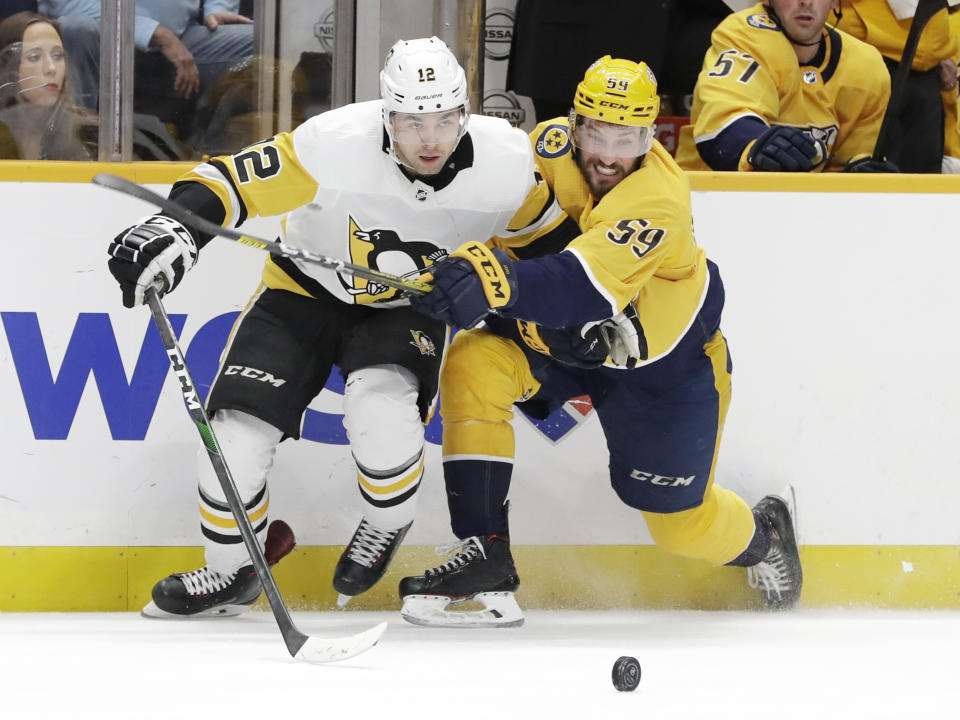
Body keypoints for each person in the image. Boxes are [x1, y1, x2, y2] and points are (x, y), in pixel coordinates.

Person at [104, 37, 565, 617]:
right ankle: (231, 573)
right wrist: (174, 230)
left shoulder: (508, 162)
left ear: (465, 113)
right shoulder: (332, 143)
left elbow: (553, 249)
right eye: (411, 121)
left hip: (408, 306)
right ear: (385, 112)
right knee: (233, 440)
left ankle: (384, 522)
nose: (429, 139)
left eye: (445, 120)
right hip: (301, 294)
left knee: (382, 420)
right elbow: (231, 181)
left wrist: (588, 313)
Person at [399, 56, 803, 628]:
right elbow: (489, 203)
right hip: (566, 343)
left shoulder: (659, 195)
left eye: (629, 136)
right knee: (473, 362)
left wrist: (489, 282)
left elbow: (582, 287)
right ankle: (485, 553)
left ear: (650, 136)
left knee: (677, 525)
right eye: (596, 132)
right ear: (575, 123)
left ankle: (765, 539)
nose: (610, 153)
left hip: (664, 369)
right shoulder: (546, 147)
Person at [675, 0, 896, 172]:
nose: (806, 2)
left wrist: (863, 175)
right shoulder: (742, 34)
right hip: (708, 200)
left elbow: (850, 162)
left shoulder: (866, 67)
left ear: (835, 2)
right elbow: (722, 130)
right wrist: (755, 145)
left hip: (798, 210)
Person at [38, 0, 252, 110]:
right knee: (75, 27)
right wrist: (154, 33)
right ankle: (75, 142)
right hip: (102, 42)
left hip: (185, 39)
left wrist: (217, 8)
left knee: (261, 41)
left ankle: (217, 159)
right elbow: (68, 5)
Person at [836, 0, 957, 173]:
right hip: (869, 57)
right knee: (869, 177)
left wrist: (943, 52)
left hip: (926, 66)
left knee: (922, 185)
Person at [0, 11, 95, 160]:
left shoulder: (86, 132)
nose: (51, 68)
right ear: (7, 67)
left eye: (58, 56)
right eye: (34, 57)